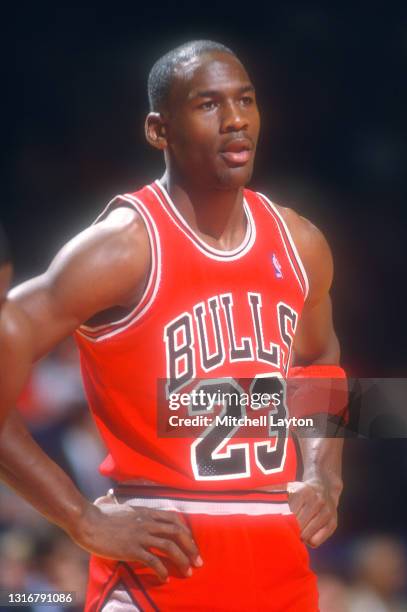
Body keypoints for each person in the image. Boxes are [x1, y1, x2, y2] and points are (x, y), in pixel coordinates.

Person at [0, 40, 346, 611]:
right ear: (159, 131)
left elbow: (317, 356)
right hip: (158, 568)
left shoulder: (300, 242)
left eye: (245, 100)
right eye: (208, 105)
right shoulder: (120, 249)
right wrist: (79, 517)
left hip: (278, 561)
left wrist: (323, 472)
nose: (235, 120)